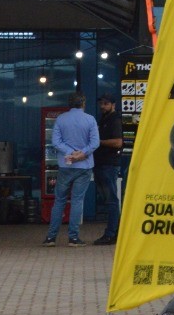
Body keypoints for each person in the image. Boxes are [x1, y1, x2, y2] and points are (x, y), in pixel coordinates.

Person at [44, 92, 98, 247]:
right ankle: (73, 238)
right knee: (77, 200)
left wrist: (69, 152)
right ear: (83, 103)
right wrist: (82, 153)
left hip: (65, 165)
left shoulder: (61, 119)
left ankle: (51, 237)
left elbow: (55, 142)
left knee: (59, 200)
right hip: (84, 165)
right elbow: (95, 143)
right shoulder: (90, 119)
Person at [91, 94, 125, 245]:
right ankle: (113, 232)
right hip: (101, 164)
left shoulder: (114, 120)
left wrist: (99, 142)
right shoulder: (103, 119)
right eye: (101, 103)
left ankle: (112, 234)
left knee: (111, 200)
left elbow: (118, 142)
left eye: (106, 104)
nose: (102, 106)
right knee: (108, 200)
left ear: (113, 104)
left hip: (108, 164)